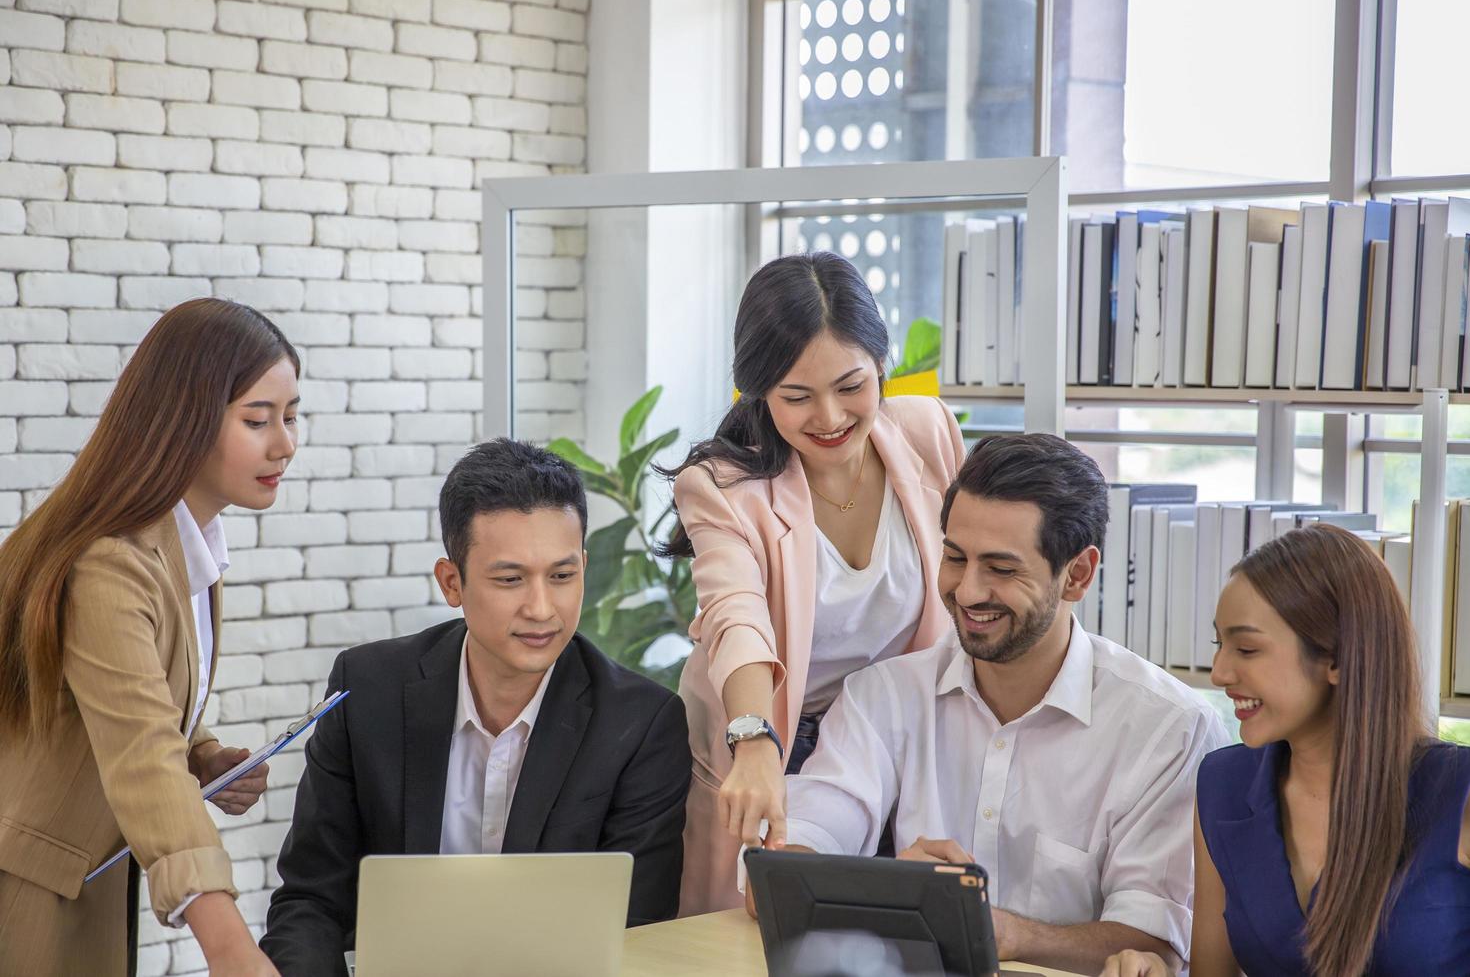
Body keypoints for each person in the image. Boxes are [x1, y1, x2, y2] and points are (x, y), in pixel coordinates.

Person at [768, 434, 1230, 976]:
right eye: (955, 558)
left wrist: (1004, 932)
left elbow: (1155, 945)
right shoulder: (884, 696)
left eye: (1001, 569)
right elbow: (778, 875)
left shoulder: (1169, 728)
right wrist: (892, 894)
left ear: (1078, 574)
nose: (966, 592)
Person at [260, 439, 692, 976]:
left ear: (584, 565)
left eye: (562, 576)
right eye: (510, 579)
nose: (541, 609)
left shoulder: (642, 725)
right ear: (451, 582)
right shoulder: (366, 690)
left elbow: (636, 934)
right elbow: (310, 901)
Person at [660, 251, 967, 914]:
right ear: (758, 391)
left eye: (851, 385)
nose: (829, 416)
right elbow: (735, 615)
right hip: (767, 738)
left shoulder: (927, 432)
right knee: (755, 934)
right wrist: (753, 739)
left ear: (882, 365)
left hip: (886, 738)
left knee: (897, 933)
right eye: (797, 397)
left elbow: (975, 567)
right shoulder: (724, 486)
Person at [0, 299, 299, 977]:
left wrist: (203, 755)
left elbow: (128, 699)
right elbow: (140, 756)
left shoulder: (185, 551)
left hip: (87, 880)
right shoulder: (109, 563)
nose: (285, 443)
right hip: (28, 890)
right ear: (185, 418)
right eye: (258, 419)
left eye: (290, 415)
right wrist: (232, 950)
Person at [1101, 524, 1470, 977]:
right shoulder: (1224, 785)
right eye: (1220, 645)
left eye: (1247, 648)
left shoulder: (1458, 793)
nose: (1219, 673)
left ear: (1336, 658)